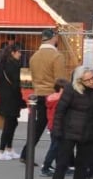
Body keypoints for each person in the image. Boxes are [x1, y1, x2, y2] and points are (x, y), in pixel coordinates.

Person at [47, 66, 93, 179]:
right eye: (88, 80)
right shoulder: (71, 89)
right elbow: (60, 111)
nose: (92, 82)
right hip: (68, 132)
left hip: (89, 134)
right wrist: (57, 131)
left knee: (82, 168)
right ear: (80, 81)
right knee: (61, 165)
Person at [21, 28, 64, 163]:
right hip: (53, 95)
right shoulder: (57, 56)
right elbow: (60, 80)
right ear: (54, 37)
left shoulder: (34, 56)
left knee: (39, 126)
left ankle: (26, 153)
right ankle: (60, 159)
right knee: (57, 128)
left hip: (38, 93)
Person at [0, 42, 27, 160]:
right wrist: (21, 101)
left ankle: (9, 149)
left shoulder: (1, 64)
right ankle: (1, 151)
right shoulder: (15, 65)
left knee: (12, 123)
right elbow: (16, 86)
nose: (20, 54)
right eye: (19, 52)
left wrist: (1, 91)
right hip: (13, 99)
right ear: (13, 53)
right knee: (9, 125)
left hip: (4, 98)